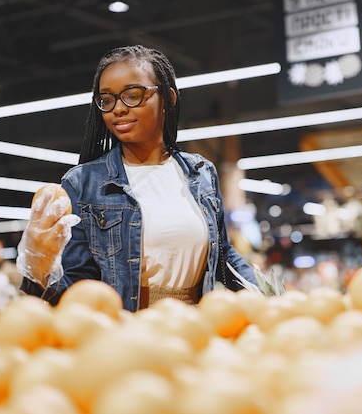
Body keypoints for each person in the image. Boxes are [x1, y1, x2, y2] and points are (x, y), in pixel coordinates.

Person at [17, 45, 258, 311]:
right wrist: (39, 271)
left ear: (168, 98)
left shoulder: (201, 172)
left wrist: (264, 299)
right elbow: (79, 288)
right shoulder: (82, 183)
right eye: (107, 100)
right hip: (123, 334)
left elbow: (224, 255)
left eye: (132, 95)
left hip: (194, 328)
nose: (118, 109)